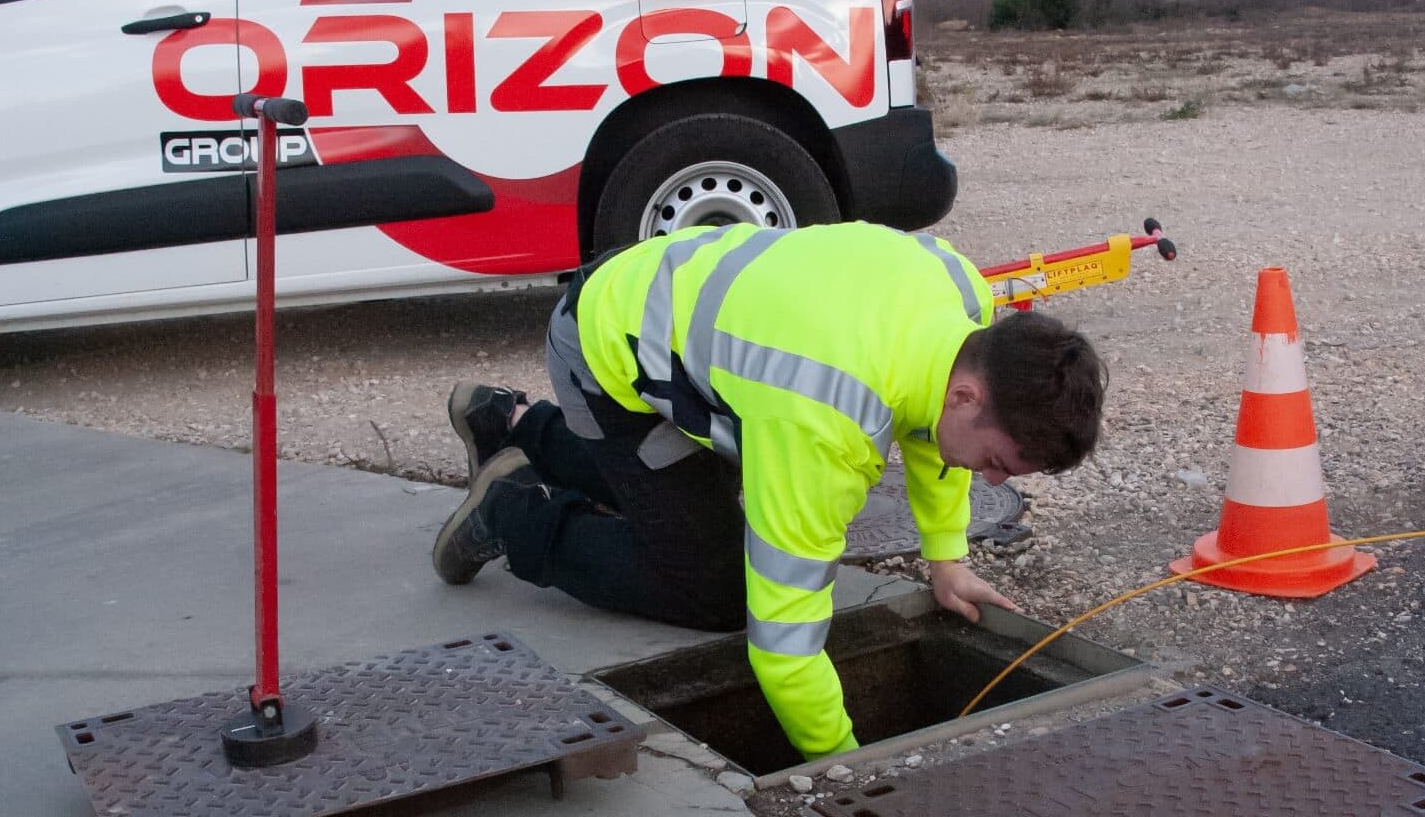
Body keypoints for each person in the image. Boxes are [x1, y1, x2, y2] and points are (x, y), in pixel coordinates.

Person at [432, 220, 1105, 760]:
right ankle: (510, 512)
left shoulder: (962, 300)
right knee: (715, 586)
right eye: (996, 461)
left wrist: (946, 556)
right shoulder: (824, 422)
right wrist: (846, 767)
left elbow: (931, 428)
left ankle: (508, 421)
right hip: (603, 348)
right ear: (969, 395)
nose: (992, 480)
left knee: (696, 495)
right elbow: (783, 647)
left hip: (663, 292)